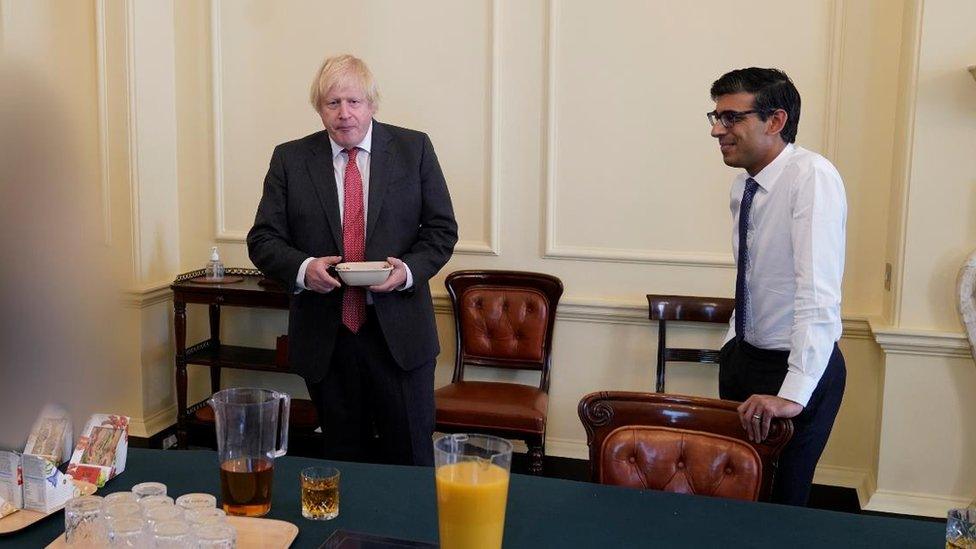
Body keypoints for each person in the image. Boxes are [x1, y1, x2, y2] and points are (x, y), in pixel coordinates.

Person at [247, 54, 457, 466]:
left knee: (412, 459)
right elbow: (263, 239)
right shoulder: (290, 159)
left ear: (372, 104)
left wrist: (407, 272)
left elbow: (441, 230)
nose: (344, 114)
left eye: (354, 102)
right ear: (319, 109)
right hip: (328, 340)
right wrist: (306, 270)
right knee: (344, 462)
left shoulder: (413, 149)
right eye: (332, 103)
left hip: (399, 337)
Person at [708, 67, 847, 505]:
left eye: (731, 118)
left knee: (780, 507)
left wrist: (793, 393)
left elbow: (817, 294)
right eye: (714, 116)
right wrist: (733, 345)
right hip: (745, 359)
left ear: (775, 121)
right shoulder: (743, 186)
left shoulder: (812, 177)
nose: (717, 130)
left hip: (795, 366)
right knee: (739, 495)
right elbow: (752, 279)